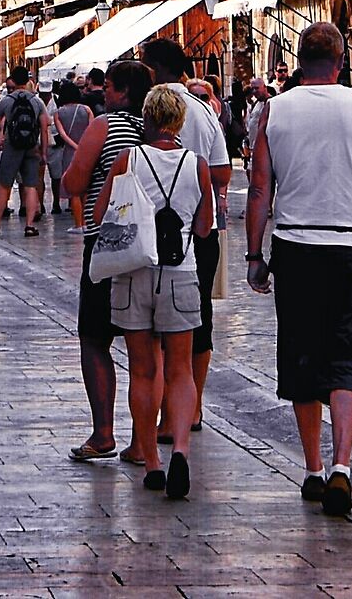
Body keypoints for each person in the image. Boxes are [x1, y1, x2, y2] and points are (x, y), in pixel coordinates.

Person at [244, 22, 352, 518]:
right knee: (347, 353)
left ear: (299, 61)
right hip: (347, 243)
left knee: (303, 354)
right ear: (341, 61)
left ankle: (313, 468)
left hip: (296, 246)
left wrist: (254, 256)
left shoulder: (274, 110)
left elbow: (260, 190)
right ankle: (344, 465)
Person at [102, 84, 212, 501]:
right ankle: (180, 446)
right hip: (181, 271)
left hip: (134, 271)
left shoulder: (129, 159)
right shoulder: (196, 164)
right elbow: (203, 228)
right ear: (180, 121)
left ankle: (150, 460)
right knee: (181, 368)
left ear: (146, 119)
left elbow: (100, 216)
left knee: (143, 369)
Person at [62, 61, 152, 462]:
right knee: (144, 346)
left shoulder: (105, 125)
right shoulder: (154, 130)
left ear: (122, 93)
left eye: (110, 87)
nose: (104, 93)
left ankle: (103, 432)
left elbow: (75, 182)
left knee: (95, 338)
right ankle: (141, 441)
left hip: (107, 242)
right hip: (147, 245)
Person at [141, 39, 231, 436]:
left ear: (155, 69)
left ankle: (163, 413)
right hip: (200, 228)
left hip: (150, 229)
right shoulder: (202, 109)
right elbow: (224, 171)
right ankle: (191, 408)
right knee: (199, 318)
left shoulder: (145, 108)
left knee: (153, 325)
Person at [0, 65, 50, 236]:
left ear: (13, 81)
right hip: (31, 146)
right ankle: (30, 225)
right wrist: (44, 152)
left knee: (4, 185)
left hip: (12, 146)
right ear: (29, 81)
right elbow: (44, 128)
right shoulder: (37, 101)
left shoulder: (7, 101)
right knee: (31, 185)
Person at [49, 82, 92, 213]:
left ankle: (78, 221)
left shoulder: (58, 113)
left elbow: (62, 134)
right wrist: (83, 146)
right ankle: (86, 218)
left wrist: (74, 146)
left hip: (69, 152)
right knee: (86, 186)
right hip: (86, 151)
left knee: (73, 188)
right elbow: (91, 129)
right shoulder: (86, 109)